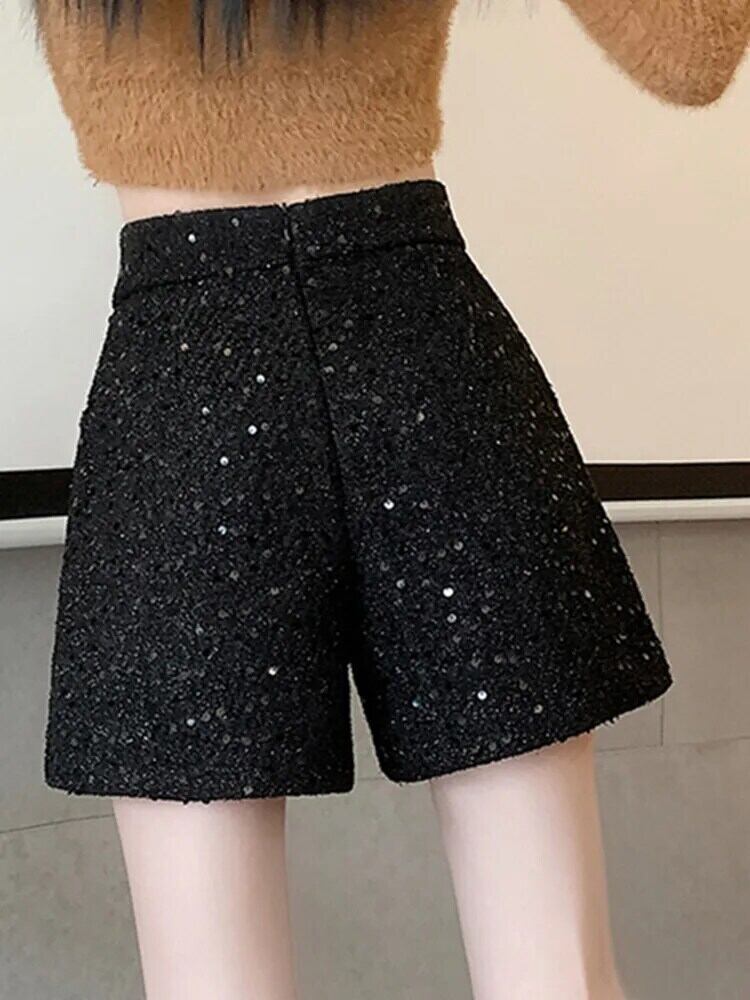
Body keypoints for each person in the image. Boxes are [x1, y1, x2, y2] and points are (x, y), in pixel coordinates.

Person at [34, 2, 748, 998]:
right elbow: (694, 48)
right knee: (553, 969)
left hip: (187, 383)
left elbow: (692, 57)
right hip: (421, 355)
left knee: (210, 979)